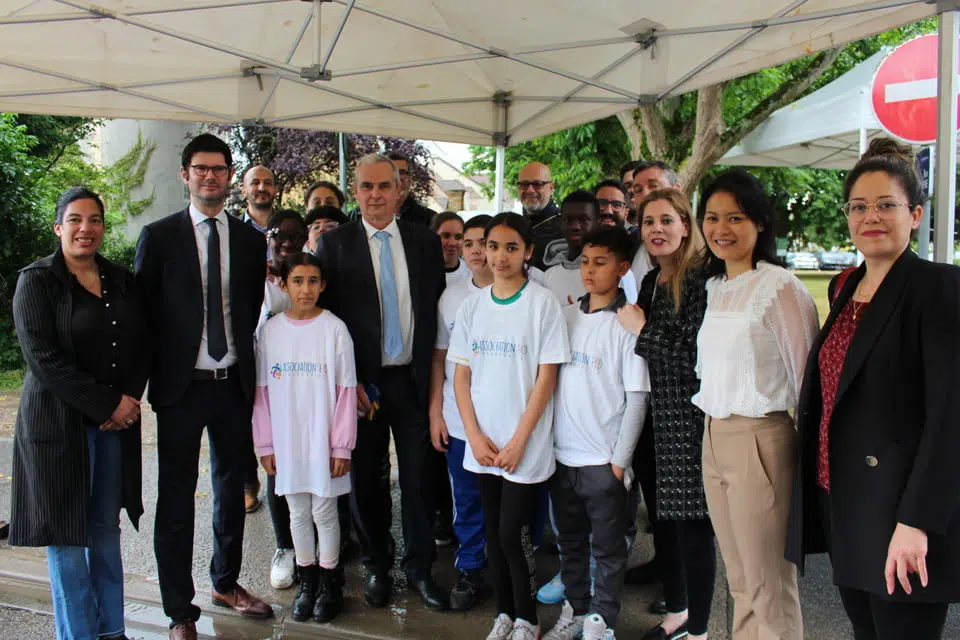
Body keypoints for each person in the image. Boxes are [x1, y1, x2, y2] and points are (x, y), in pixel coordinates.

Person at [786, 138, 960, 640]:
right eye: (859, 207)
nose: (871, 217)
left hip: (901, 511)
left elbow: (950, 417)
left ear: (916, 214)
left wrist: (917, 522)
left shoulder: (939, 287)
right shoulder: (846, 287)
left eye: (886, 204)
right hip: (843, 499)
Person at [135, 133, 270, 640]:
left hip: (232, 384)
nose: (209, 176)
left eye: (218, 168)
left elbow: (249, 311)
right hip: (181, 389)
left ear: (230, 176)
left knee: (231, 491)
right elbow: (145, 315)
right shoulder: (159, 237)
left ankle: (226, 583)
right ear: (185, 174)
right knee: (175, 498)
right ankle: (179, 611)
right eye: (200, 168)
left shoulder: (251, 241)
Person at [10, 187, 149, 640]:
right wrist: (107, 404)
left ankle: (112, 632)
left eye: (94, 220)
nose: (85, 228)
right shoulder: (37, 281)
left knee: (105, 530)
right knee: (67, 538)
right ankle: (79, 635)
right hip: (56, 428)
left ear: (103, 228)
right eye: (75, 219)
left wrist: (128, 401)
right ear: (58, 227)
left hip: (113, 429)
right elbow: (43, 359)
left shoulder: (121, 279)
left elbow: (141, 344)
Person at [315, 153, 448, 611]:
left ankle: (420, 568)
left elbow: (434, 311)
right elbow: (326, 321)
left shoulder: (424, 243)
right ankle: (377, 564)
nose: (375, 195)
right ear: (355, 192)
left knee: (418, 480)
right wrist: (344, 384)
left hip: (412, 381)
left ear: (400, 190)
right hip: (361, 387)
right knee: (366, 482)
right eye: (367, 186)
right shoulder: (334, 245)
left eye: (384, 186)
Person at [692, 168, 818, 640]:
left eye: (735, 217)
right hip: (714, 435)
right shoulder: (716, 287)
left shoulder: (780, 287)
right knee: (741, 582)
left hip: (760, 439)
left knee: (769, 587)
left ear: (760, 222)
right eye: (712, 217)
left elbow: (808, 381)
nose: (721, 229)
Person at [448, 212, 571, 640]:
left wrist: (519, 442)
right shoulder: (472, 306)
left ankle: (528, 620)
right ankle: (505, 614)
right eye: (493, 246)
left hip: (523, 444)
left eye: (511, 248)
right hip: (483, 443)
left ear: (528, 252)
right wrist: (474, 436)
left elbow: (547, 378)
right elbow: (461, 377)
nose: (500, 256)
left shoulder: (542, 304)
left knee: (512, 535)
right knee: (492, 534)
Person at [544, 226, 650, 640]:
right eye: (585, 261)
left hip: (603, 462)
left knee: (607, 551)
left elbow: (637, 400)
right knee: (569, 544)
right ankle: (576, 608)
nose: (589, 270)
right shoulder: (566, 317)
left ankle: (601, 622)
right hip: (562, 457)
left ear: (622, 268)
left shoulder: (627, 323)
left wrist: (619, 464)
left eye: (600, 262)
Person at [618, 189, 715, 640]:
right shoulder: (652, 280)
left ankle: (698, 628)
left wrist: (642, 330)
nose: (656, 229)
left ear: (685, 225)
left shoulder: (700, 280)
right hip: (654, 421)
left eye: (666, 220)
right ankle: (677, 610)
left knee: (692, 528)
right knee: (664, 523)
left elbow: (692, 357)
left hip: (688, 422)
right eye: (648, 222)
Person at [253, 252, 357, 625]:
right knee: (297, 512)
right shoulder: (270, 332)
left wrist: (341, 445)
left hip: (323, 438)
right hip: (287, 439)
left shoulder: (335, 329)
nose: (305, 289)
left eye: (313, 281)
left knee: (324, 512)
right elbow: (262, 393)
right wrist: (265, 444)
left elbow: (346, 391)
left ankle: (330, 584)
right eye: (297, 281)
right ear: (284, 285)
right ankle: (307, 582)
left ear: (322, 285)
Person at [429, 214, 494, 611]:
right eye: (468, 243)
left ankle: (513, 568)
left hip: (505, 421)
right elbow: (440, 359)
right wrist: (436, 412)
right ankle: (470, 567)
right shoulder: (451, 296)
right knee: (466, 499)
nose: (474, 250)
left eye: (482, 242)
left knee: (509, 503)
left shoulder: (529, 294)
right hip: (457, 419)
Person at [254, 209, 308, 591]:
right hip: (270, 383)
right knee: (277, 468)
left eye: (295, 235)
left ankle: (316, 543)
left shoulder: (312, 276)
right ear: (268, 236)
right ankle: (284, 546)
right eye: (278, 234)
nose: (286, 242)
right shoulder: (253, 279)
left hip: (309, 382)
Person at [542, 190, 638, 307]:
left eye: (584, 220)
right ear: (560, 222)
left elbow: (629, 313)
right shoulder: (549, 275)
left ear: (598, 222)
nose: (575, 226)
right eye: (568, 220)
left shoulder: (617, 272)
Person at [517, 162, 565, 271]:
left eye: (537, 184)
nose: (530, 190)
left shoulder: (566, 227)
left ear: (551, 187)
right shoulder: (514, 225)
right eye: (524, 184)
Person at [388, 151, 437, 226]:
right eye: (391, 173)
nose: (397, 178)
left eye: (402, 173)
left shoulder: (431, 220)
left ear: (410, 179)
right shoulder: (370, 216)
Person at [431, 211, 470, 286]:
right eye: (445, 236)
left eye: (458, 237)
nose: (452, 243)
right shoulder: (419, 272)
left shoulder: (472, 273)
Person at [240, 165, 278, 232]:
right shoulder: (231, 229)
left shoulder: (292, 227)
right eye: (255, 183)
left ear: (275, 190)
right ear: (244, 191)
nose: (262, 188)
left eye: (267, 183)